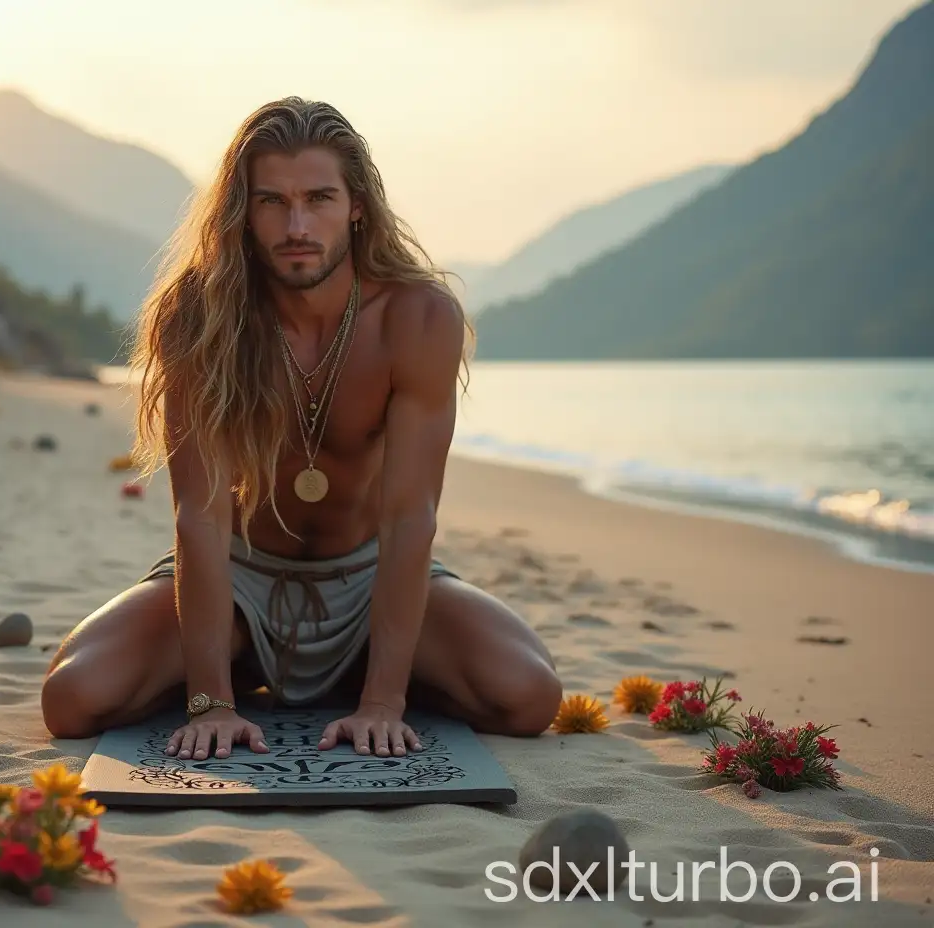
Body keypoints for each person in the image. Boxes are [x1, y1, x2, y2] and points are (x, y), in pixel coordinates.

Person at [41, 97, 562, 761]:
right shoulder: (200, 317)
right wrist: (211, 702)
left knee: (528, 695)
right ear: (243, 212)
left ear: (357, 206)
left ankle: (365, 673)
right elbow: (199, 520)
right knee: (73, 699)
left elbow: (410, 519)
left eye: (318, 198)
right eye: (272, 202)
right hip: (240, 584)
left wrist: (382, 703)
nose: (296, 225)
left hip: (370, 577)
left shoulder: (417, 317)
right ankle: (243, 670)